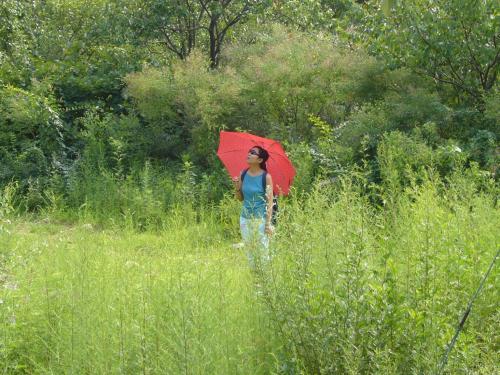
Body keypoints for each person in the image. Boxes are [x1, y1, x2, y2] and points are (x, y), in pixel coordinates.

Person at [232, 146, 274, 261]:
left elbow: (270, 202)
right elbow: (240, 198)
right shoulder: (243, 174)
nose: (249, 154)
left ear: (260, 160)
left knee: (262, 251)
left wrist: (268, 224)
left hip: (260, 219)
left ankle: (265, 277)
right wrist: (237, 188)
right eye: (249, 151)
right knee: (249, 251)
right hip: (245, 218)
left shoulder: (266, 177)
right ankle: (254, 277)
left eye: (253, 152)